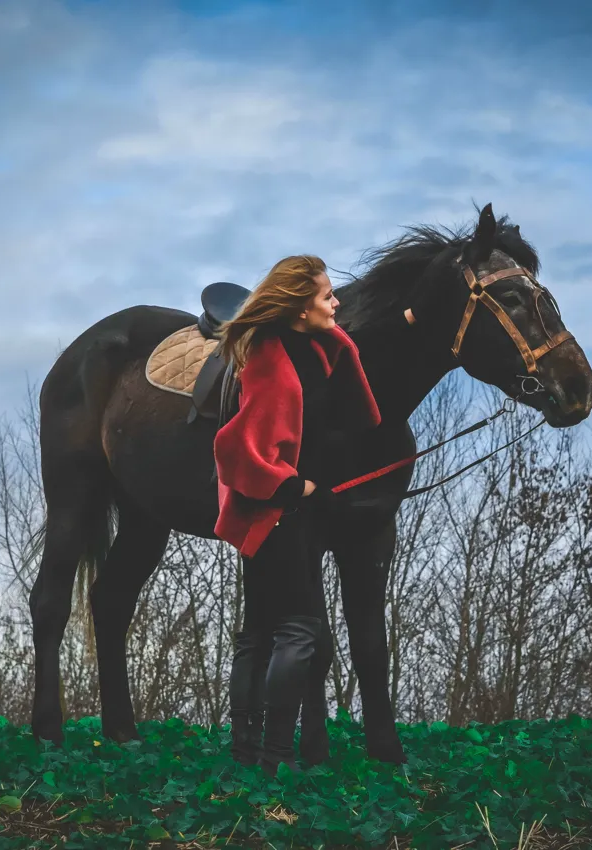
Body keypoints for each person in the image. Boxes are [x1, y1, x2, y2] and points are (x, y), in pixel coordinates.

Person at [211, 254, 385, 776]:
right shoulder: (269, 360)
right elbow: (235, 449)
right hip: (279, 514)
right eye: (327, 295)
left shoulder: (309, 347)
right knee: (302, 633)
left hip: (290, 513)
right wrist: (292, 484)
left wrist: (361, 332)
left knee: (260, 633)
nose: (337, 302)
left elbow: (360, 412)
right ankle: (276, 759)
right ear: (297, 306)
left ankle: (247, 755)